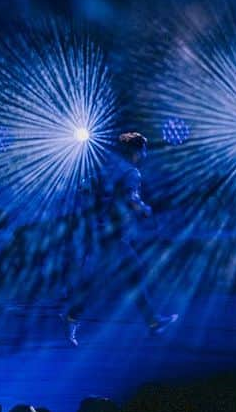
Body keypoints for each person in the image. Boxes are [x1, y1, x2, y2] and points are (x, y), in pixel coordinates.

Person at [62, 132, 177, 346]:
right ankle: (71, 318)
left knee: (128, 274)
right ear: (136, 151)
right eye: (143, 149)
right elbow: (131, 199)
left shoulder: (106, 168)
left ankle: (153, 322)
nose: (145, 153)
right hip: (111, 236)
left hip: (97, 232)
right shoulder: (132, 173)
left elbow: (83, 188)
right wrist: (145, 209)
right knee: (110, 278)